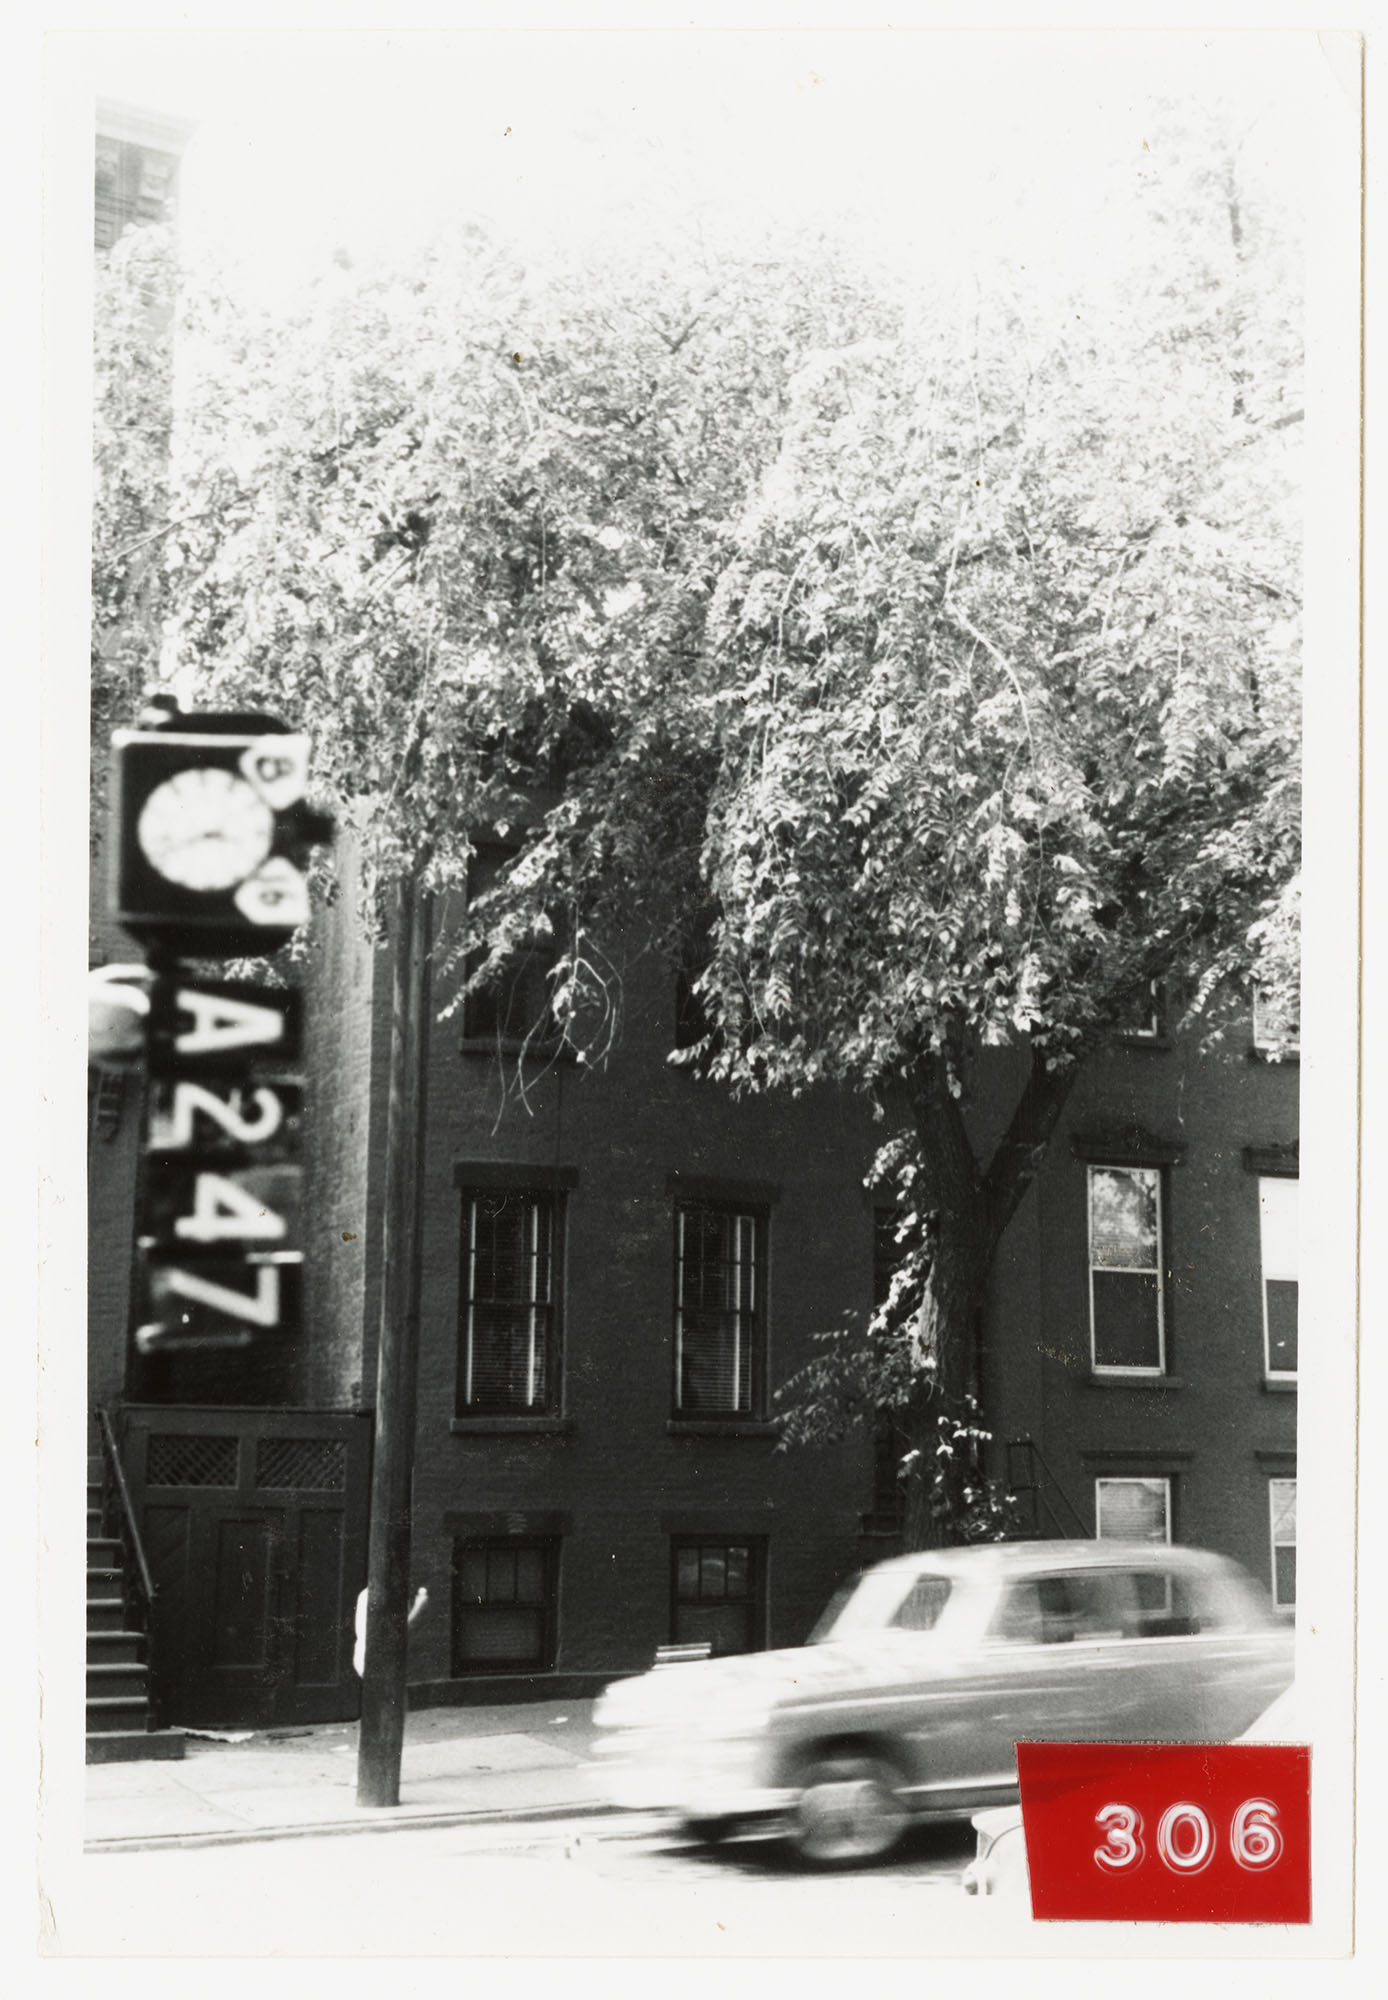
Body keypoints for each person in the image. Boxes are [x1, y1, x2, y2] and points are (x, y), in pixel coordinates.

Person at [353, 1584, 428, 1678]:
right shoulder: (372, 1595)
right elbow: (387, 1638)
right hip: (374, 1665)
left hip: (392, 1665)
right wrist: (418, 1609)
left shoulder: (397, 1593)